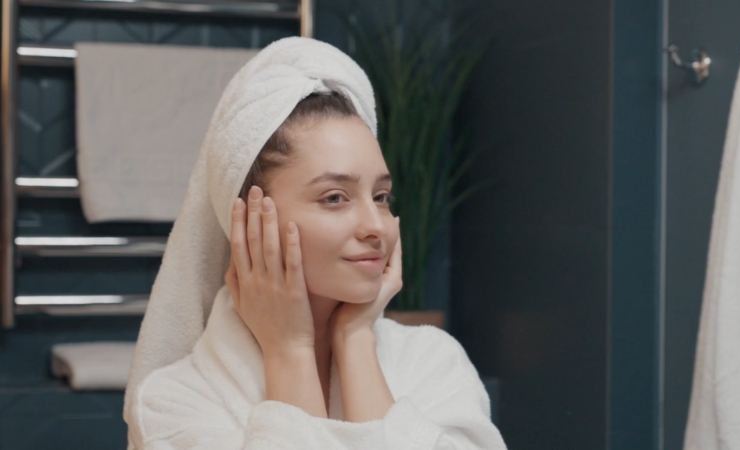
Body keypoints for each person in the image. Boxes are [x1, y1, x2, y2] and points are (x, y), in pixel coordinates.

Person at [123, 37, 506, 450]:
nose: (376, 225)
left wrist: (355, 340)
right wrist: (290, 352)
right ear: (250, 222)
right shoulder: (174, 404)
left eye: (380, 196)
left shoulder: (434, 362)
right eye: (335, 198)